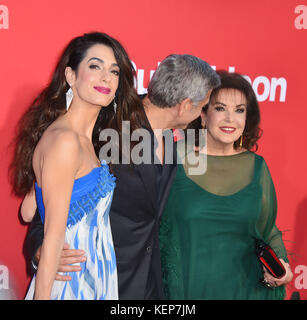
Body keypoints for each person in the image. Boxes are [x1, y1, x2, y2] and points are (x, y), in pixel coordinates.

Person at [23, 54, 220, 299]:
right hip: (93, 280)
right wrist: (39, 250)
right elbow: (51, 197)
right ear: (185, 105)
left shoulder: (174, 139)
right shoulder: (108, 126)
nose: (202, 116)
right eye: (202, 107)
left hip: (148, 284)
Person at [9, 32, 143, 299]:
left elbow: (27, 211)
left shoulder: (80, 138)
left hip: (94, 274)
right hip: (73, 283)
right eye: (95, 66)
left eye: (114, 71)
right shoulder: (65, 141)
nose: (107, 77)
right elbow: (53, 239)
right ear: (71, 76)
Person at [159, 70, 293, 300]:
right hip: (185, 290)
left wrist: (284, 270)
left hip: (245, 289)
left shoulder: (256, 166)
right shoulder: (172, 157)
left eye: (239, 110)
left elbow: (268, 229)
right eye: (220, 108)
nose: (230, 119)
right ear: (203, 114)